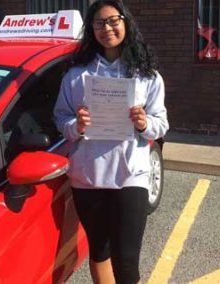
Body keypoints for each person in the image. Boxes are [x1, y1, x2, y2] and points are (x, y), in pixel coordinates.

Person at [54, 1, 169, 283]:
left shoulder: (147, 76)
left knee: (127, 259)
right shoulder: (76, 75)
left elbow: (161, 123)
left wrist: (144, 124)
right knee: (100, 250)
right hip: (88, 177)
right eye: (99, 23)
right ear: (91, 30)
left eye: (113, 20)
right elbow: (60, 119)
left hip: (131, 175)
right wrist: (76, 126)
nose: (107, 28)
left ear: (126, 23)